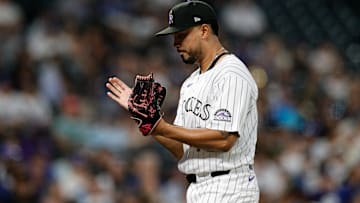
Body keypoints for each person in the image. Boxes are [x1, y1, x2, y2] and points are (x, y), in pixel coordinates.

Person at [106, 1, 260, 202]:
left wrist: (162, 126)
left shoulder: (231, 74)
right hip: (198, 188)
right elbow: (183, 150)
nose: (175, 43)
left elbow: (224, 139)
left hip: (230, 186)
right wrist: (147, 120)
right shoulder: (190, 83)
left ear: (204, 30)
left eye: (182, 35)